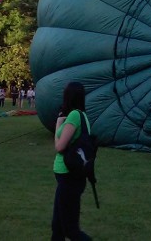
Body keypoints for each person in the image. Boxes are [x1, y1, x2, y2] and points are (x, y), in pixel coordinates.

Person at [51, 81, 93, 241]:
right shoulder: (82, 116)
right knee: (57, 227)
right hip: (67, 178)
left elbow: (59, 146)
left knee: (70, 229)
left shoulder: (75, 115)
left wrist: (58, 126)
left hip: (69, 178)